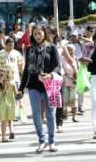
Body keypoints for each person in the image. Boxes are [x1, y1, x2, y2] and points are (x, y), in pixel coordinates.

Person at [18, 24, 61, 153]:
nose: (37, 36)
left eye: (40, 33)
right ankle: (42, 140)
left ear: (44, 33)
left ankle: (51, 142)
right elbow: (26, 71)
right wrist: (21, 89)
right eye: (35, 33)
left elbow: (58, 66)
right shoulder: (29, 49)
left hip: (49, 84)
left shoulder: (52, 47)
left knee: (50, 114)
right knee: (36, 115)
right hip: (33, 86)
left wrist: (50, 75)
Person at [0, 65, 17, 142]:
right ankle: (11, 131)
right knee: (10, 118)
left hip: (2, 104)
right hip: (10, 104)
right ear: (9, 74)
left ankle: (3, 137)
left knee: (3, 122)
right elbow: (16, 94)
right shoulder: (12, 83)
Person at [68, 30, 86, 114]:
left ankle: (80, 106)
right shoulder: (67, 44)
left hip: (81, 67)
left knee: (81, 88)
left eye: (75, 36)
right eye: (72, 36)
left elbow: (91, 41)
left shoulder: (80, 44)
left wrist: (81, 37)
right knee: (72, 89)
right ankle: (72, 107)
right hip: (72, 68)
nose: (73, 37)